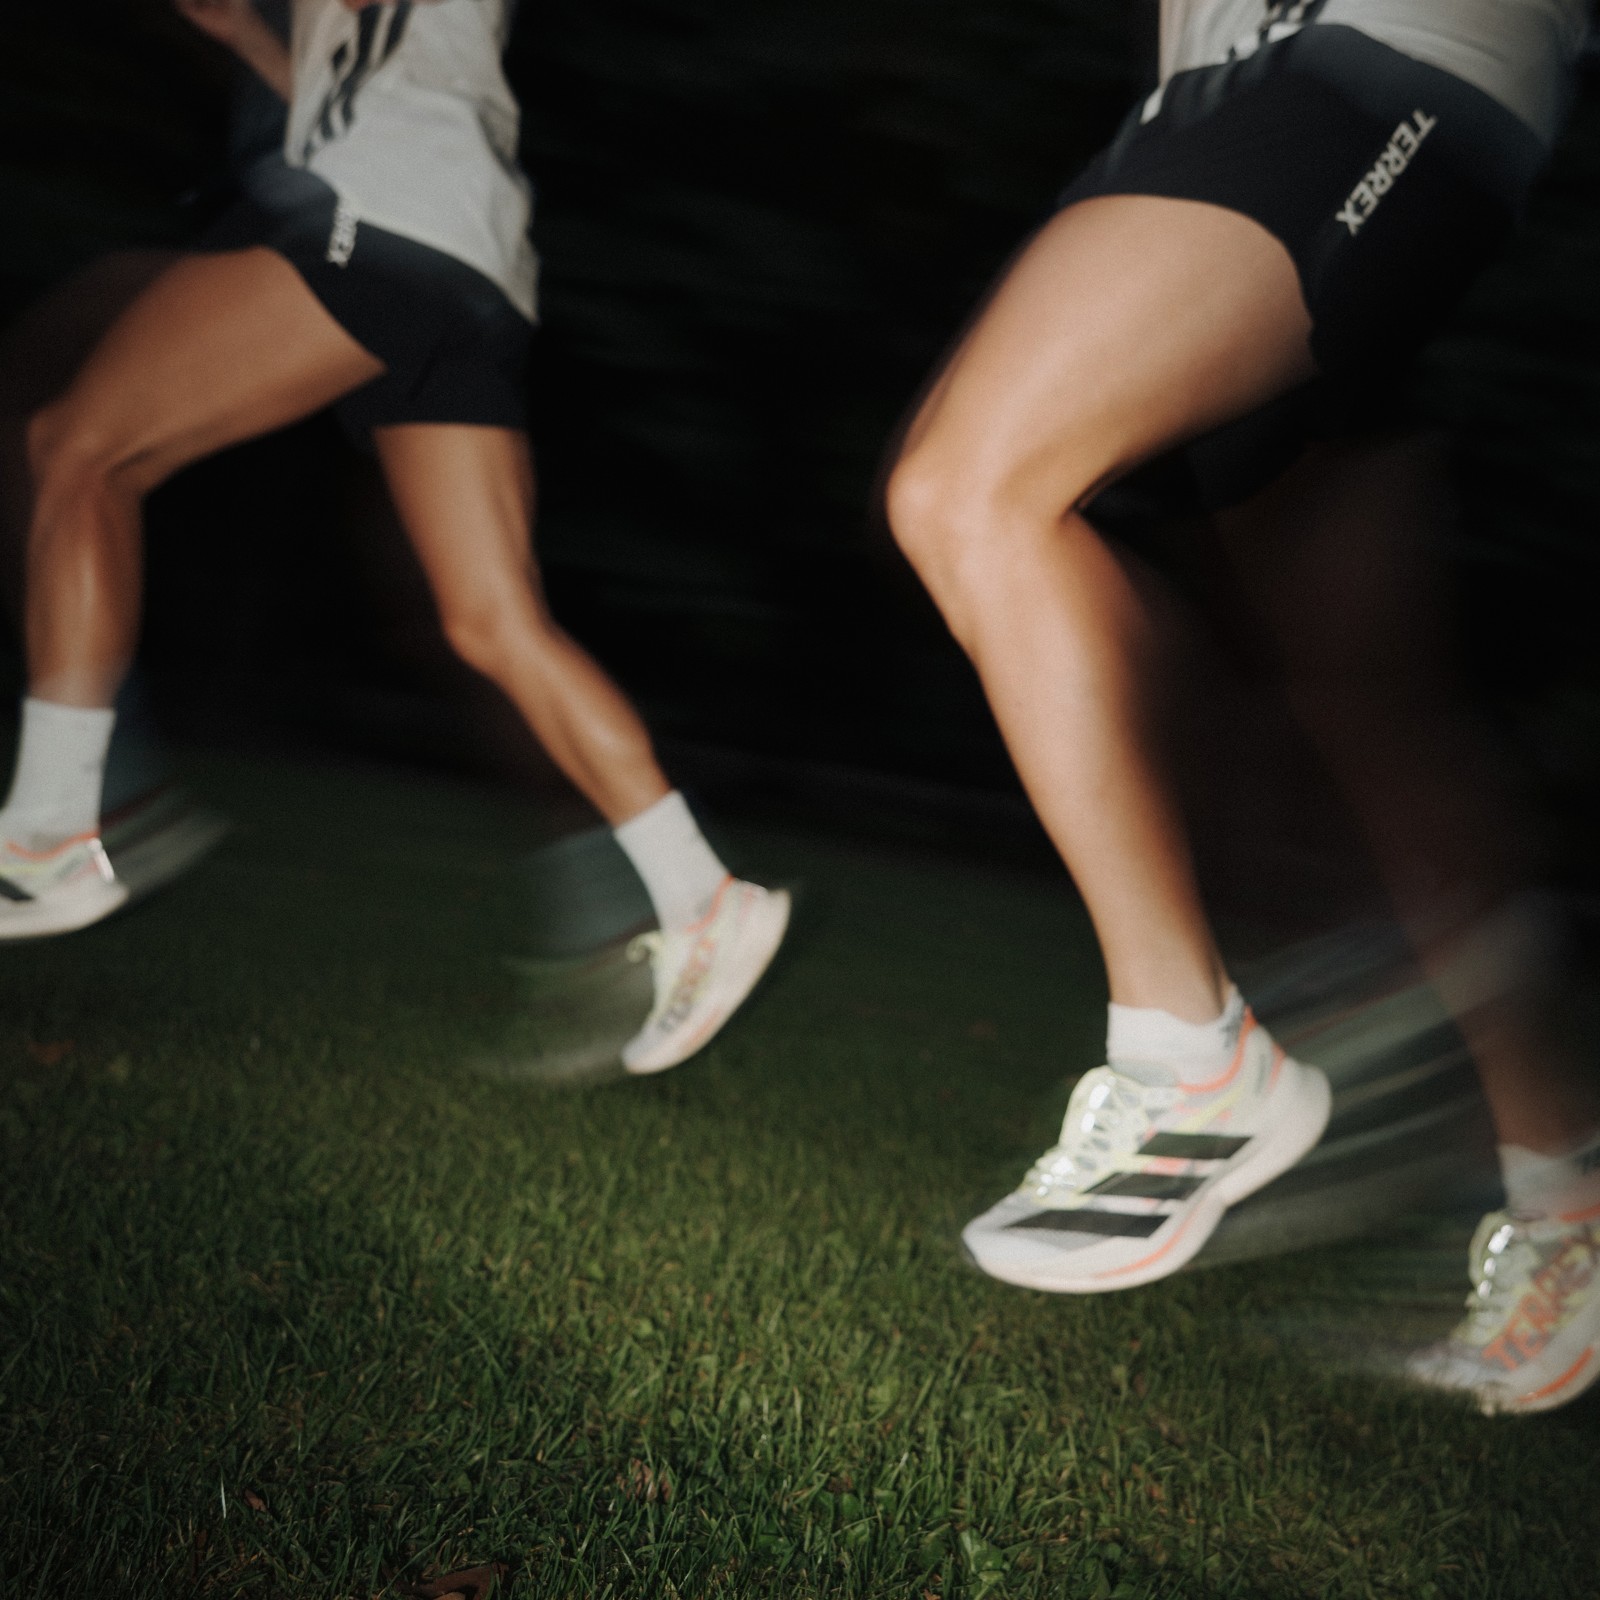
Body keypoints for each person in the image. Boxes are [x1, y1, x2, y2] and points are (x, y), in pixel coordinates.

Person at [884, 0, 1600, 1413]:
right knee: (1377, 719)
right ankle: (1570, 1208)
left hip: (1377, 63)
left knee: (967, 490)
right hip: (1247, 96)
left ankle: (1191, 1061)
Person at [4, 0, 789, 1077]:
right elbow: (342, 86)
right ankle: (701, 893)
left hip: (374, 217)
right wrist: (245, 37)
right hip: (464, 258)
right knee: (493, 622)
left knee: (77, 449)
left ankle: (49, 830)